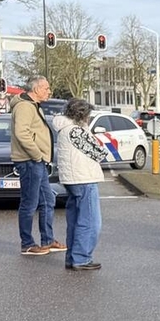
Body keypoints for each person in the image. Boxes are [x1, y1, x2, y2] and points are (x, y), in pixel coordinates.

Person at [51, 98, 107, 271]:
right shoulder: (76, 131)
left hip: (71, 179)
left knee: (75, 220)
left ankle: (72, 257)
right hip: (83, 178)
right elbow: (99, 152)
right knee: (90, 222)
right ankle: (82, 258)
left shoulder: (64, 129)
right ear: (82, 115)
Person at [10, 76, 62, 256]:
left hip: (36, 162)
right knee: (29, 203)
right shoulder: (25, 106)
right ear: (37, 89)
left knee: (48, 200)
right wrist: (37, 155)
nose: (49, 91)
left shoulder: (33, 105)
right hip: (29, 161)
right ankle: (27, 243)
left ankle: (47, 240)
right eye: (47, 88)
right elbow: (21, 133)